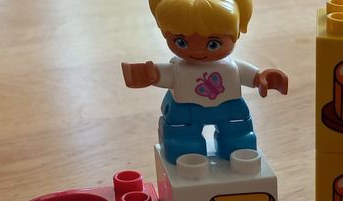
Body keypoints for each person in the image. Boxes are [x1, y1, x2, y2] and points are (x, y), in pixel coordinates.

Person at [121, 0, 288, 163]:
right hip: (186, 109)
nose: (198, 51)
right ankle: (185, 147)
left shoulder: (230, 67)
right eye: (181, 42)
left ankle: (237, 142)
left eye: (213, 44)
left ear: (236, 34)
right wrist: (148, 74)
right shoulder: (178, 68)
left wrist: (261, 78)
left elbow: (248, 74)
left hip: (229, 106)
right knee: (184, 138)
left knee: (237, 132)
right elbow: (160, 74)